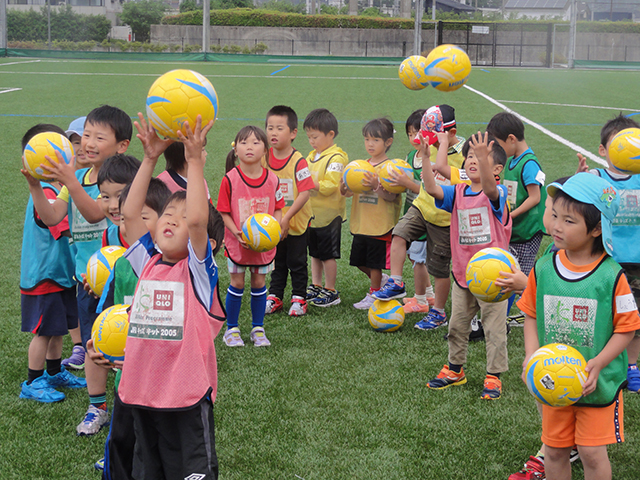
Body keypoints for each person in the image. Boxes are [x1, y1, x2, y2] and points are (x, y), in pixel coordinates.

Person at [117, 115, 225, 480]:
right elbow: (130, 213)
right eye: (167, 213)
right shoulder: (147, 262)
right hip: (140, 393)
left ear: (208, 245)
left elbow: (197, 221)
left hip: (185, 398)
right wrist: (149, 158)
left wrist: (194, 161)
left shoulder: (197, 273)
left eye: (183, 215)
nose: (173, 219)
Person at [518, 173, 640, 480]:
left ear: (597, 229)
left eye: (569, 221)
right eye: (555, 215)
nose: (557, 226)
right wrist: (531, 355)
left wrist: (598, 363)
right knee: (554, 451)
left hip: (597, 385)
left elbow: (627, 328)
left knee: (591, 453)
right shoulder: (543, 267)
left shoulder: (612, 276)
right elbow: (530, 314)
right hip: (553, 382)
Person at [27, 105, 132, 436]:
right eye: (86, 135)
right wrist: (35, 186)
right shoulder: (76, 179)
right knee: (92, 345)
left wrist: (70, 180)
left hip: (124, 280)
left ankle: (131, 404)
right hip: (87, 283)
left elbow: (94, 215)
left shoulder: (122, 180)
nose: (89, 142)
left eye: (99, 137)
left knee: (128, 347)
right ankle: (96, 406)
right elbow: (52, 217)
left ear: (121, 146)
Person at [422, 132, 511, 400]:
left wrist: (483, 160)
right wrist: (425, 159)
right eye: (470, 156)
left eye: (481, 158)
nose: (473, 160)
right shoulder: (457, 192)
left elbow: (490, 190)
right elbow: (432, 189)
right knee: (457, 326)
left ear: (497, 169)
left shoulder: (498, 193)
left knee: (494, 330)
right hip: (464, 276)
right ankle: (455, 370)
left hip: (495, 278)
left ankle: (494, 376)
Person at [373, 105, 465, 331]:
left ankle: (438, 312)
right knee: (399, 234)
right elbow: (426, 177)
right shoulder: (430, 145)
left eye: (434, 138)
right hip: (421, 206)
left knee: (439, 269)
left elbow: (461, 183)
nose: (430, 142)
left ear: (451, 133)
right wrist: (425, 158)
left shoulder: (465, 154)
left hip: (444, 218)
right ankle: (396, 281)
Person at [19, 124, 86, 403]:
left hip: (60, 274)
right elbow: (60, 226)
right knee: (44, 332)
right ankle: (33, 381)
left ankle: (55, 372)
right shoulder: (46, 191)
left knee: (57, 328)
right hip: (44, 275)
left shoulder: (61, 188)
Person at [577, 114, 640, 395]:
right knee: (604, 316)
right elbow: (578, 202)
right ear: (603, 150)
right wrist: (580, 177)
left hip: (637, 261)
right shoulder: (597, 178)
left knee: (635, 318)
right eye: (620, 144)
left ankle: (632, 366)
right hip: (606, 261)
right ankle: (601, 361)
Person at [217, 126, 284, 347]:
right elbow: (223, 212)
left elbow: (278, 208)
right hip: (238, 243)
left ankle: (258, 328)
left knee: (259, 283)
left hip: (263, 246)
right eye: (244, 142)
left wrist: (274, 229)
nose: (249, 147)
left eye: (256, 142)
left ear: (265, 150)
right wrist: (236, 233)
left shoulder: (273, 180)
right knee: (237, 283)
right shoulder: (230, 179)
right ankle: (232, 329)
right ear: (235, 149)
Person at [340, 118, 402, 310]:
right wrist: (344, 187)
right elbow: (348, 193)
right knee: (359, 261)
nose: (370, 144)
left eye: (375, 140)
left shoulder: (390, 168)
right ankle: (382, 281)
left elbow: (392, 197)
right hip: (362, 223)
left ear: (388, 142)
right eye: (367, 139)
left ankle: (374, 293)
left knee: (375, 263)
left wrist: (377, 185)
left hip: (379, 224)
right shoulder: (359, 166)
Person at [263, 105, 314, 317]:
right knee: (277, 260)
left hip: (297, 221)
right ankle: (275, 296)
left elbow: (305, 193)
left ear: (293, 133)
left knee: (297, 261)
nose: (273, 133)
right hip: (274, 222)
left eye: (279, 128)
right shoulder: (264, 157)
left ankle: (299, 298)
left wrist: (286, 218)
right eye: (270, 128)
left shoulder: (298, 161)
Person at [487, 112, 545, 277]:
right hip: (516, 227)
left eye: (498, 145)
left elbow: (535, 197)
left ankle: (526, 291)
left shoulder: (529, 163)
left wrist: (510, 216)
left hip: (528, 230)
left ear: (511, 139)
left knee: (521, 272)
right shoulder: (512, 160)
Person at [304, 108, 349, 307]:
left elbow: (331, 185)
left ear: (330, 134)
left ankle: (331, 290)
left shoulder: (336, 158)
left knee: (328, 255)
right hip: (312, 215)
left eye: (315, 137)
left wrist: (307, 183)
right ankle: (316, 285)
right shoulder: (311, 156)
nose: (311, 141)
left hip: (330, 216)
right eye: (309, 137)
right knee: (314, 253)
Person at [392, 109, 435, 314]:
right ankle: (429, 294)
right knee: (414, 257)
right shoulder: (410, 156)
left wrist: (407, 183)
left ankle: (421, 301)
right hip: (411, 213)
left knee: (418, 259)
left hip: (424, 216)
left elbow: (430, 189)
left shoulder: (431, 157)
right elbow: (405, 184)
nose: (413, 138)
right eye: (410, 134)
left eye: (417, 133)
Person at [61, 116, 89, 371]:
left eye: (86, 139)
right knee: (77, 297)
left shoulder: (109, 178)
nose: (81, 147)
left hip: (104, 257)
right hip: (75, 252)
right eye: (75, 141)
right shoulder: (67, 182)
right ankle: (79, 346)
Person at [98, 154, 142, 248]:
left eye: (120, 196)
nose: (113, 206)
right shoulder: (109, 235)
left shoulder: (153, 231)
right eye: (106, 197)